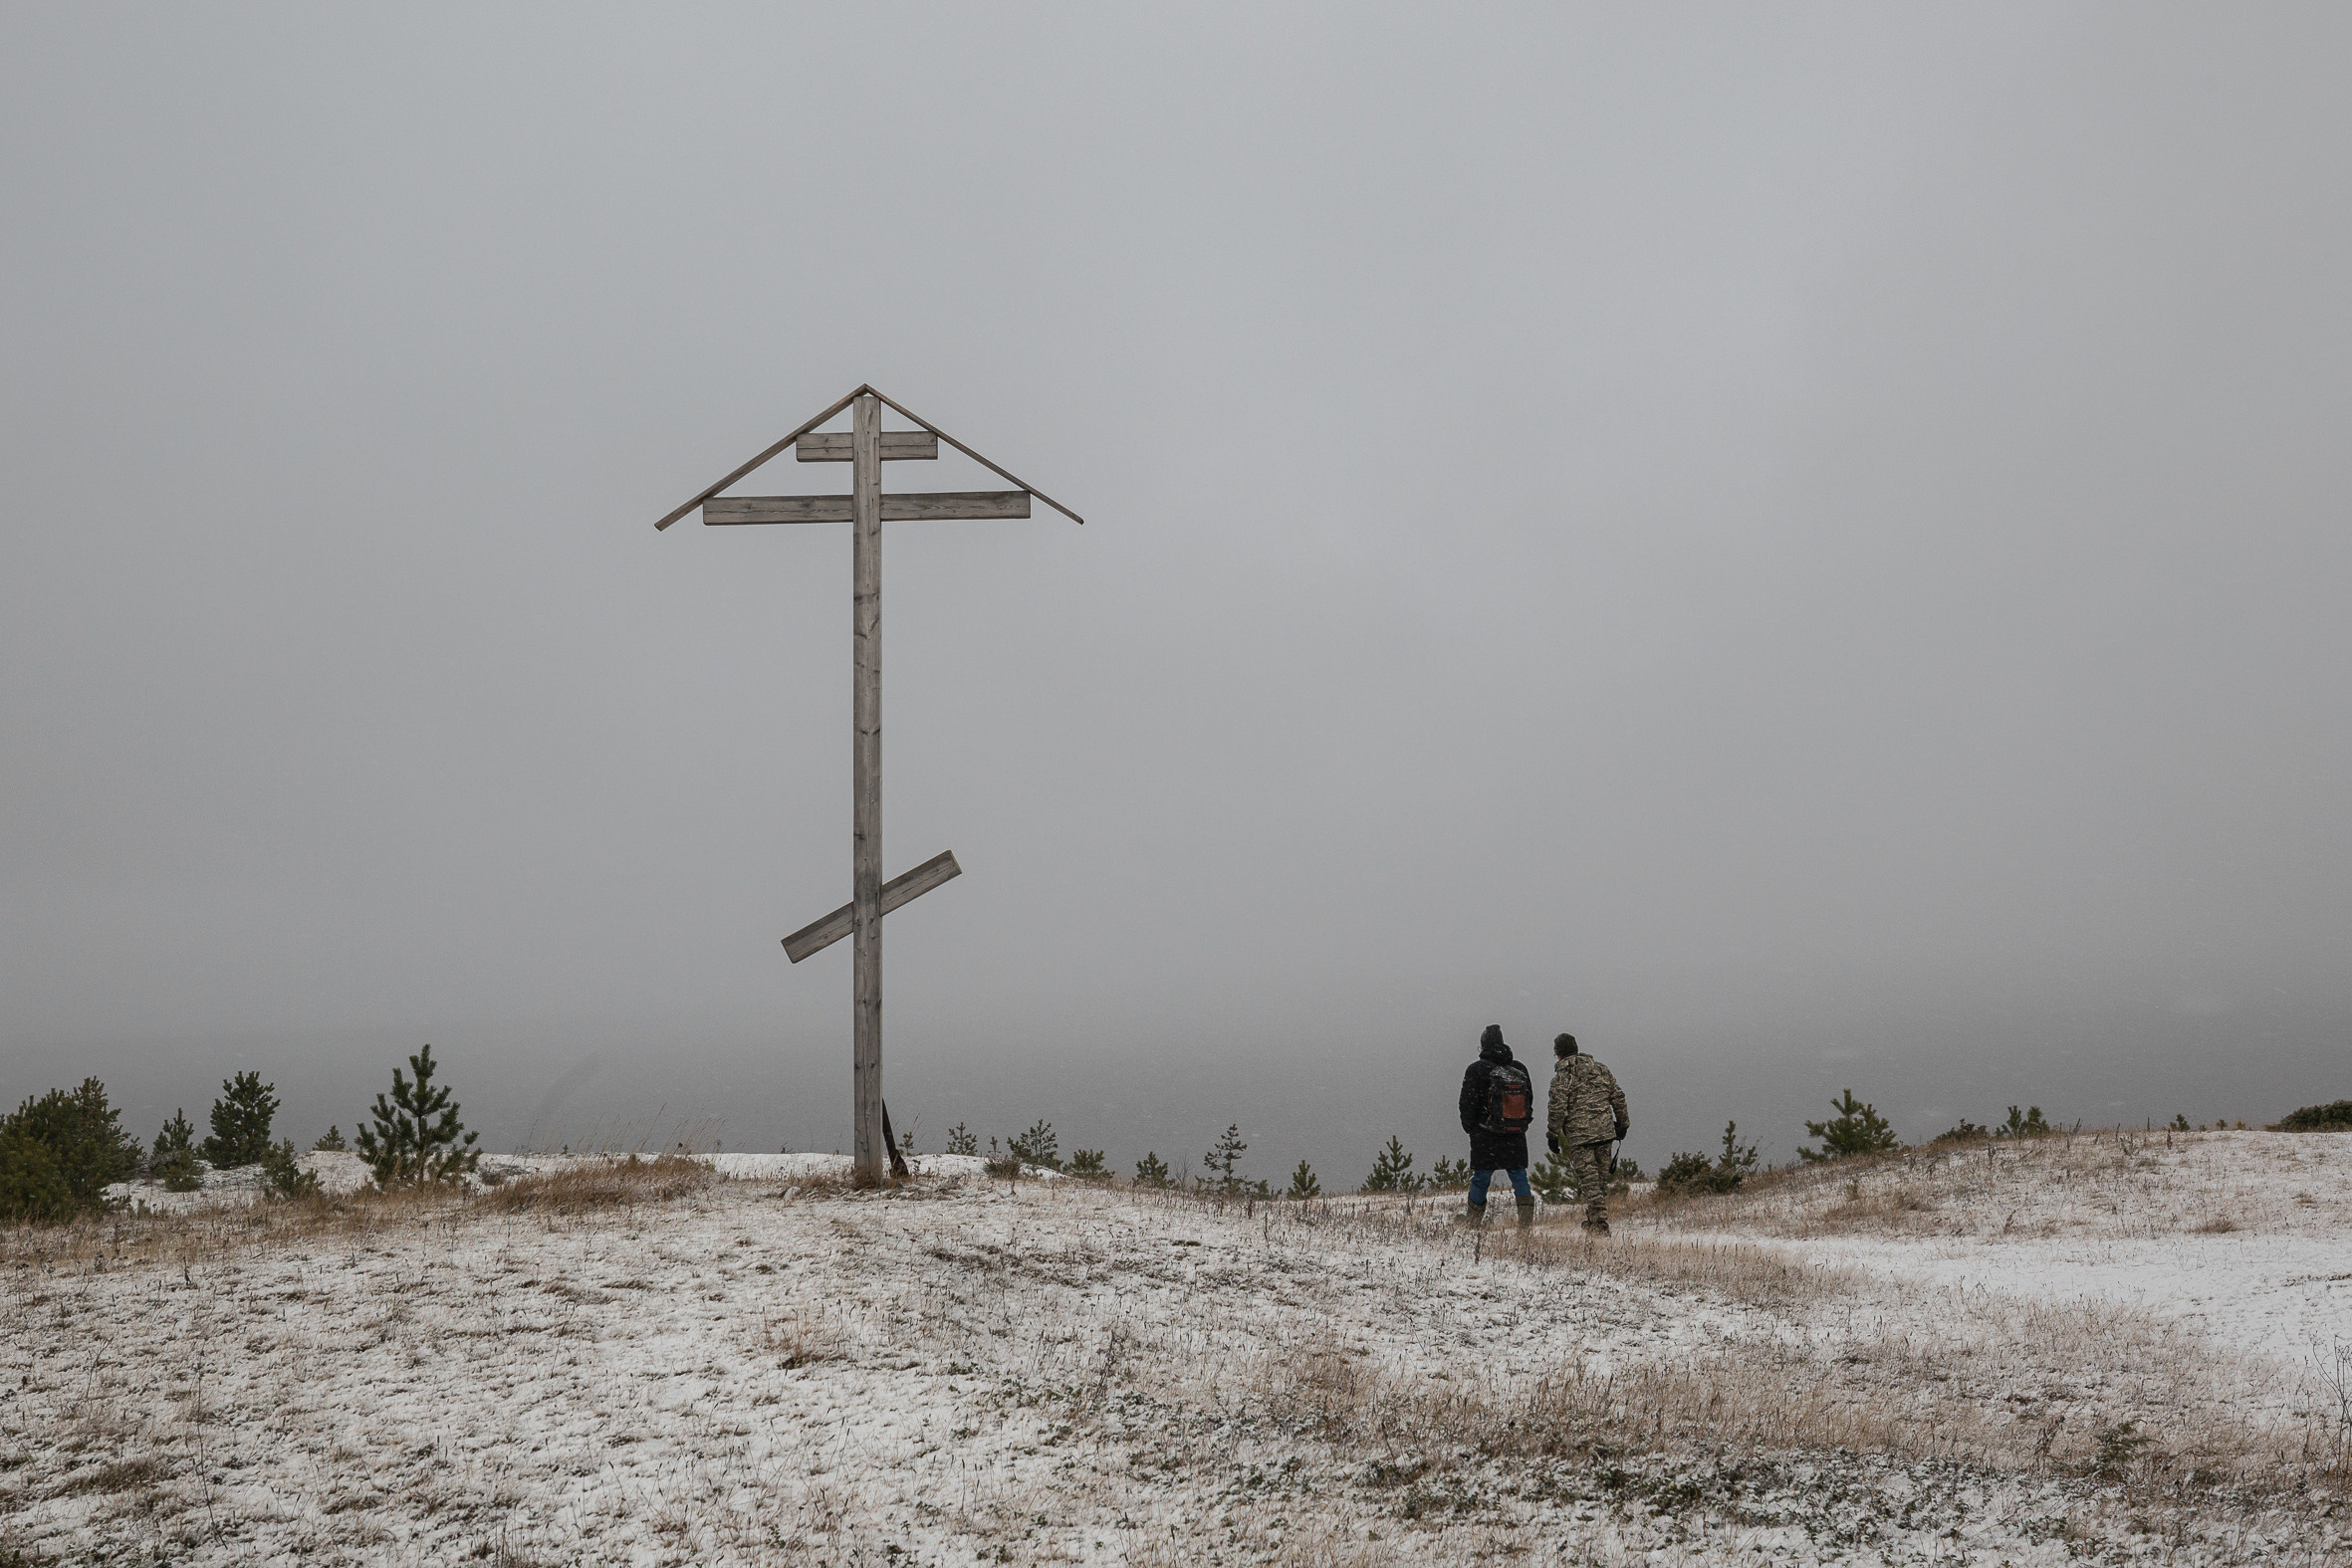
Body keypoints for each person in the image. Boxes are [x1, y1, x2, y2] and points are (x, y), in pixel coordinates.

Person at [1547, 1032, 1628, 1232]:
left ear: (1558, 1054)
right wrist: (1622, 1124)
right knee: (1599, 1181)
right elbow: (1618, 1097)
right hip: (1605, 1133)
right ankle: (1593, 1221)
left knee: (1590, 1182)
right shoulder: (1600, 1070)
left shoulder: (1562, 1077)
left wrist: (1552, 1135)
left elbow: (1557, 1109)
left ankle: (1599, 1224)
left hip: (1580, 1136)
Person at [1458, 1024, 1536, 1228]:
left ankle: (1472, 1221)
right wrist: (1521, 1124)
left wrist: (1472, 1129)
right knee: (1519, 1176)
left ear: (1483, 1044)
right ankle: (1525, 1225)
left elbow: (1467, 1103)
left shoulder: (1475, 1069)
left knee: (1481, 1178)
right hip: (1514, 1133)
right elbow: (1529, 1099)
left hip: (1484, 1134)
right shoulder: (1519, 1068)